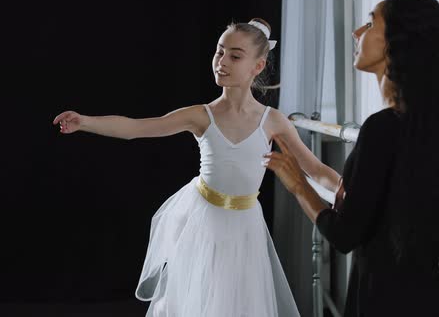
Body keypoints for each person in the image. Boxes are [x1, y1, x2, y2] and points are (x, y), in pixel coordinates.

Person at [52, 18, 340, 317]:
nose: (222, 61)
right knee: (198, 300)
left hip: (245, 228)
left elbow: (315, 169)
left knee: (238, 303)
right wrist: (85, 121)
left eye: (235, 55)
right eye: (219, 51)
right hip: (203, 222)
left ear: (257, 67)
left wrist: (349, 190)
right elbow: (136, 128)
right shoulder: (201, 115)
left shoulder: (273, 120)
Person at [264, 0, 439, 317]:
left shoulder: (383, 128)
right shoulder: (425, 127)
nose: (357, 32)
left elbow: (344, 235)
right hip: (430, 299)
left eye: (370, 23)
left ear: (395, 43)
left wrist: (297, 184)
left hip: (384, 302)